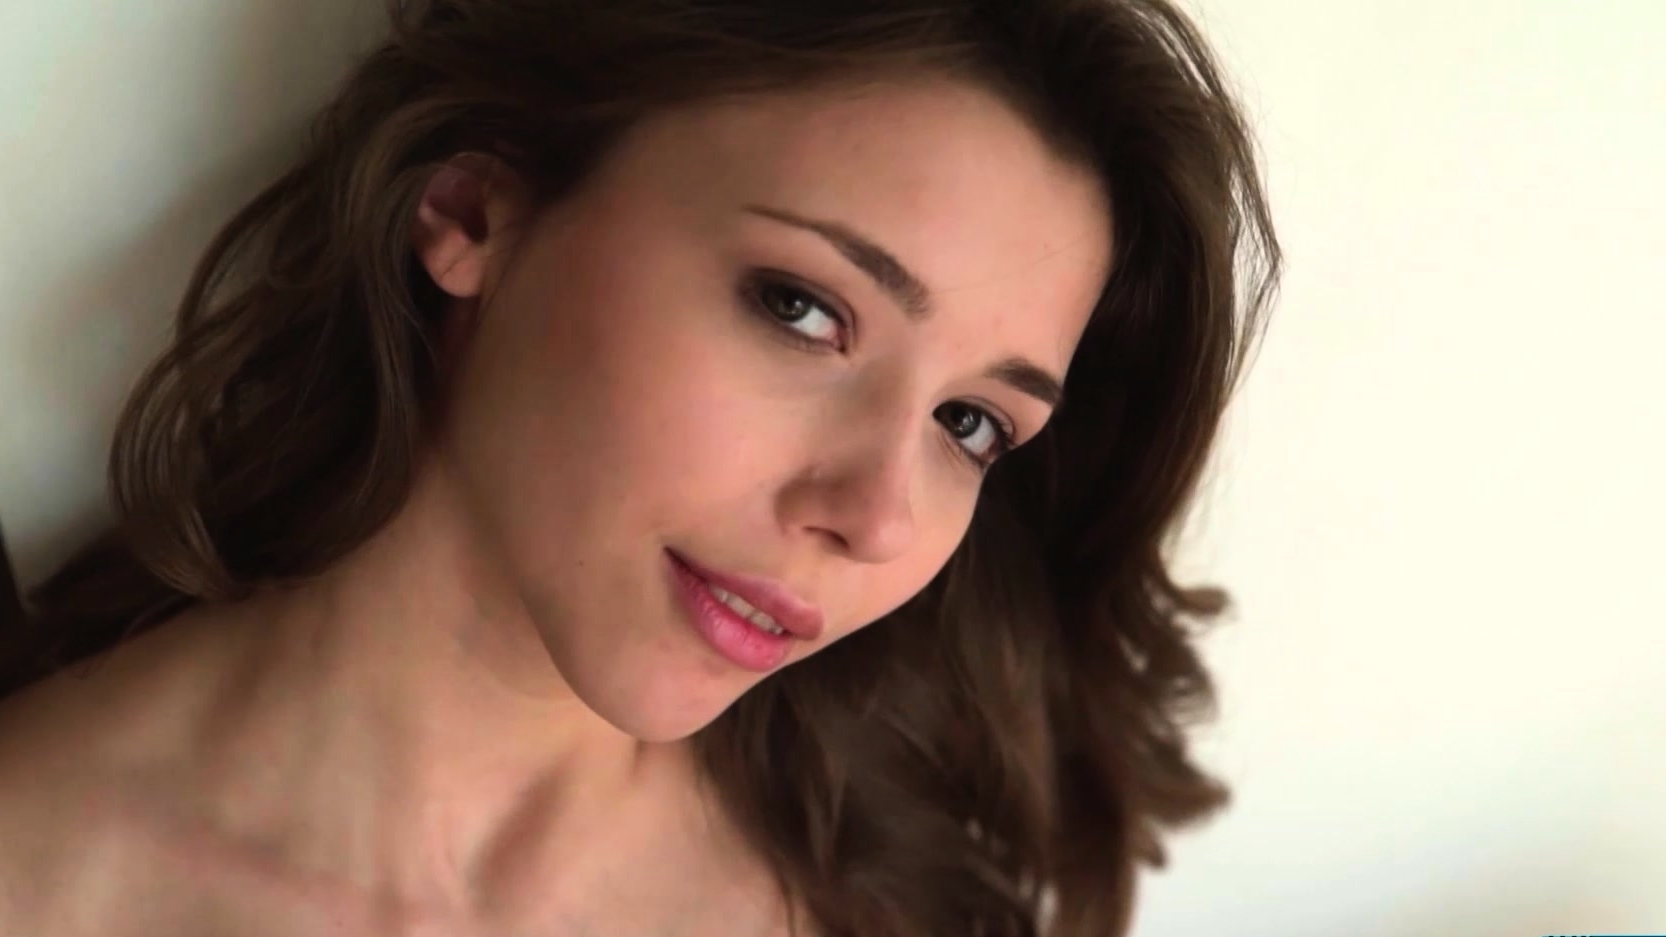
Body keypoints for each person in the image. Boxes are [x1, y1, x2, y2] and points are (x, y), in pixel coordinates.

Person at [0, 0, 1279, 934]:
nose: (876, 516)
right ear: (474, 213)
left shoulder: (895, 896)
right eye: (800, 308)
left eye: (970, 425)